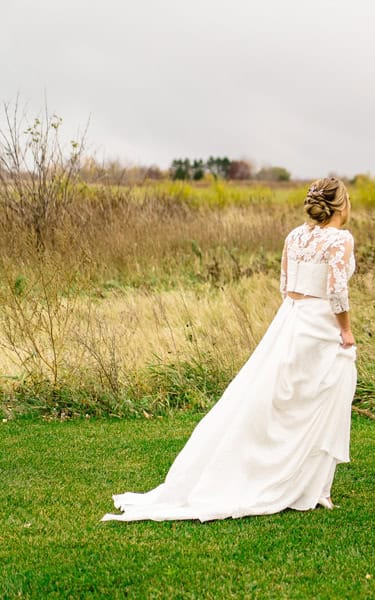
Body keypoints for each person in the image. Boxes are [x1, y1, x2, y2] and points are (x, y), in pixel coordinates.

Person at [103, 177, 357, 522]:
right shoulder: (340, 239)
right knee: (314, 399)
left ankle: (294, 478)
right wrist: (346, 330)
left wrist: (296, 312)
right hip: (319, 323)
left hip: (290, 320)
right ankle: (306, 485)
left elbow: (285, 286)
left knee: (280, 400)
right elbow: (337, 291)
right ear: (341, 205)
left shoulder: (294, 236)